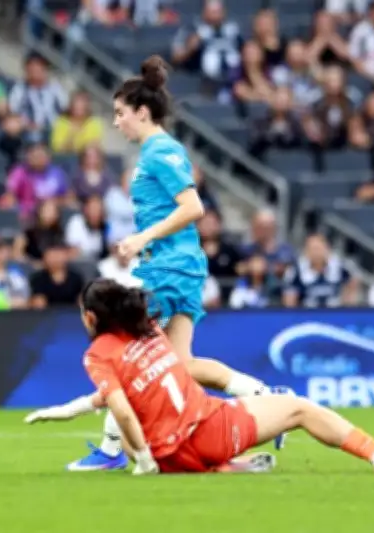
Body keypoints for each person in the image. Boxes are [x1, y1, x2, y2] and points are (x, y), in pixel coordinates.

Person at [67, 56, 280, 472]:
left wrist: (142, 238)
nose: (116, 122)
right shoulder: (159, 151)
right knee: (180, 364)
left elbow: (193, 206)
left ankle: (111, 450)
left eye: (120, 113)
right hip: (178, 266)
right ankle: (261, 396)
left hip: (168, 268)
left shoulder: (160, 152)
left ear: (142, 112)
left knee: (128, 349)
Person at [24, 279, 374, 476]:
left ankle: (226, 465)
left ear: (91, 318)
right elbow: (122, 408)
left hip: (168, 457)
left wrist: (143, 461)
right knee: (299, 409)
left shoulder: (98, 354)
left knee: (129, 413)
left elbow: (121, 409)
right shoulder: (151, 330)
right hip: (210, 432)